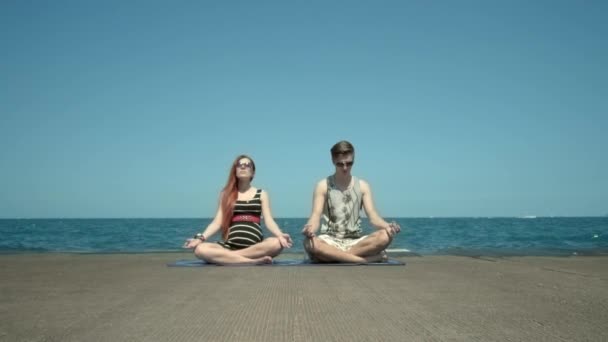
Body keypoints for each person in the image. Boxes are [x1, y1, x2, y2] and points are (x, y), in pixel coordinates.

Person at [301, 140, 401, 263]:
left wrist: (388, 226)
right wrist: (309, 228)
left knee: (385, 236)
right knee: (310, 243)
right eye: (340, 164)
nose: (345, 168)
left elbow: (373, 217)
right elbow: (316, 215)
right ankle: (365, 260)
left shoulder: (363, 186)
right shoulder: (322, 186)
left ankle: (336, 257)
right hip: (329, 240)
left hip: (355, 242)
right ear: (333, 161)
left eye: (349, 163)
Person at [184, 154, 292, 265]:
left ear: (253, 172)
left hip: (255, 247)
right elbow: (217, 222)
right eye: (239, 165)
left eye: (247, 165)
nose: (243, 167)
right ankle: (250, 261)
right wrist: (200, 238)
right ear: (235, 171)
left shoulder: (261, 194)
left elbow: (269, 220)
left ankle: (230, 258)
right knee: (200, 249)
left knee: (276, 243)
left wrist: (280, 235)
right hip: (229, 246)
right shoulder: (226, 194)